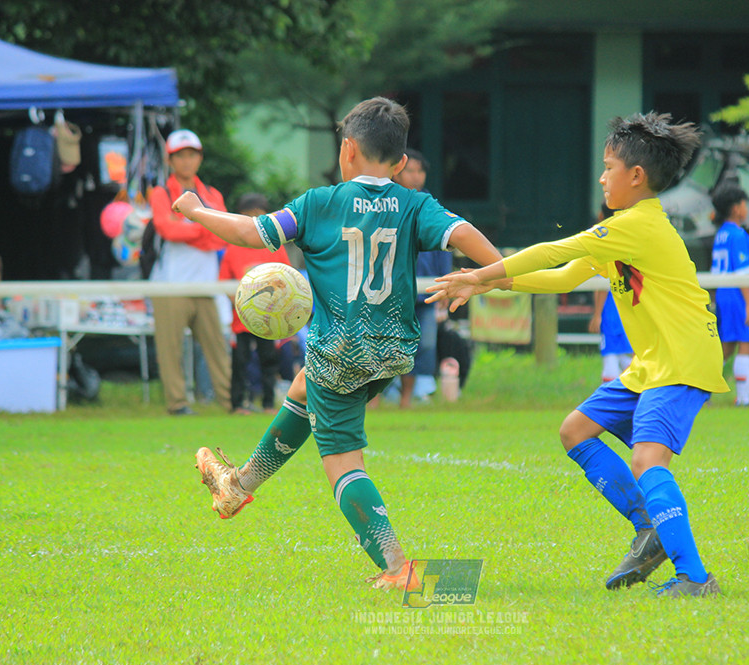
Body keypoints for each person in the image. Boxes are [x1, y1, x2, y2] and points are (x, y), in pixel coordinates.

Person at [173, 97, 503, 590]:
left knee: (343, 462)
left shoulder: (320, 203)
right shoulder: (415, 204)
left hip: (341, 351)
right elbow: (466, 235)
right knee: (305, 389)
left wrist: (198, 210)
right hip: (393, 351)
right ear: (399, 163)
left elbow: (250, 231)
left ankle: (397, 569)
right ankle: (238, 485)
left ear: (347, 150)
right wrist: (488, 276)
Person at [428, 111, 727, 598]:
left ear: (637, 176)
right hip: (652, 365)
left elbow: (554, 251)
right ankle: (649, 527)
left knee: (649, 460)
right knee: (575, 430)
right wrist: (489, 284)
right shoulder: (625, 228)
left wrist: (481, 274)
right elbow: (564, 276)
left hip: (682, 361)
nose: (602, 176)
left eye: (609, 166)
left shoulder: (638, 226)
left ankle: (693, 577)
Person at [147, 129, 232, 416]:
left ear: (199, 158)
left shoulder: (212, 194)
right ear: (170, 160)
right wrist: (204, 228)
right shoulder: (160, 192)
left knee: (218, 347)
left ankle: (229, 401)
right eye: (180, 156)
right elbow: (167, 229)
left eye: (191, 155)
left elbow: (224, 234)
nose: (186, 161)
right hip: (170, 285)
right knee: (170, 350)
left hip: (206, 284)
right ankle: (177, 404)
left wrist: (188, 228)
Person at [219, 193, 292, 415]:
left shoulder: (274, 247)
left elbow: (287, 278)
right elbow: (225, 283)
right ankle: (238, 404)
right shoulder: (233, 249)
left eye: (259, 215)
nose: (253, 220)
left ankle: (268, 404)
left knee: (269, 360)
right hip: (241, 321)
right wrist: (242, 304)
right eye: (248, 216)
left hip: (268, 320)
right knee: (240, 362)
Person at [394, 148, 452, 407]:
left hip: (428, 290)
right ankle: (374, 399)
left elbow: (445, 246)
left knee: (424, 344)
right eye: (410, 170)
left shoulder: (431, 206)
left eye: (420, 171)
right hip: (393, 290)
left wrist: (446, 283)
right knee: (387, 344)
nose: (416, 176)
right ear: (396, 171)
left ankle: (407, 398)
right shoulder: (389, 204)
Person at [710, 183, 749, 406]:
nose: (745, 208)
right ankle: (744, 400)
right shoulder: (738, 235)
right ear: (736, 208)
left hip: (723, 294)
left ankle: (700, 392)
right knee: (746, 343)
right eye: (744, 204)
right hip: (739, 296)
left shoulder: (721, 234)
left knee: (726, 347)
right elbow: (742, 273)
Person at [588, 204, 632, 383]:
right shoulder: (627, 239)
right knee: (624, 354)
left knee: (611, 357)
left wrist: (597, 315)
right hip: (629, 306)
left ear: (600, 215)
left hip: (612, 310)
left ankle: (611, 404)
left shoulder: (604, 241)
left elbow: (601, 284)